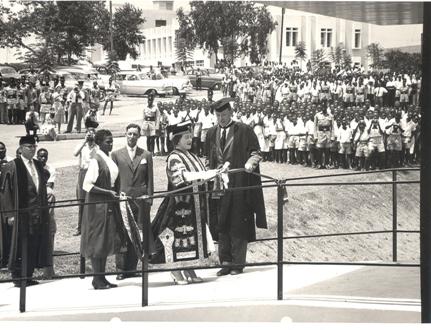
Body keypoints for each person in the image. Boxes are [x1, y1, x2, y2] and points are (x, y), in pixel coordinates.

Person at [205, 98, 267, 276]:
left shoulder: (244, 130)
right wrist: (210, 171)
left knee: (238, 222)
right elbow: (208, 157)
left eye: (224, 115)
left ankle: (238, 263)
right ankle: (225, 262)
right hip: (218, 186)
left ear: (231, 113)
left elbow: (256, 153)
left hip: (239, 184)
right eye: (218, 115)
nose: (221, 119)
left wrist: (250, 163)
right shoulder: (210, 133)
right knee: (221, 223)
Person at [151, 121, 219, 284]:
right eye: (186, 137)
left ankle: (189, 269)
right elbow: (182, 178)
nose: (190, 140)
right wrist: (208, 173)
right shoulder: (174, 157)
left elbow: (201, 176)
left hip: (194, 205)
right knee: (176, 237)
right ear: (177, 140)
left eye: (190, 137)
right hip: (178, 205)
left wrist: (214, 174)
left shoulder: (192, 155)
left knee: (192, 236)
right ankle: (175, 270)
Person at [0, 135, 51, 286]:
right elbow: (5, 192)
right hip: (20, 213)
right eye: (29, 147)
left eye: (34, 146)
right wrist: (9, 214)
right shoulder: (12, 166)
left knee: (33, 242)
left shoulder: (37, 164)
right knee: (20, 243)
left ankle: (28, 275)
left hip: (36, 212)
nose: (33, 149)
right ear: (21, 148)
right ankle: (18, 277)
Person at [80, 129, 126, 290]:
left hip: (109, 204)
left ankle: (102, 277)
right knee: (97, 241)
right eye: (108, 141)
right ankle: (96, 278)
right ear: (99, 143)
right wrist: (107, 192)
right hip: (97, 206)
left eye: (112, 140)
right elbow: (87, 185)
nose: (111, 143)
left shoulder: (108, 158)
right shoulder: (95, 160)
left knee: (106, 240)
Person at [111, 123, 155, 280]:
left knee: (139, 233)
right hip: (123, 200)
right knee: (123, 234)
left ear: (139, 136)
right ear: (125, 135)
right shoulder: (116, 155)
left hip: (141, 201)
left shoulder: (146, 155)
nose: (132, 137)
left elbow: (150, 179)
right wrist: (115, 199)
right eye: (129, 134)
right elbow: (114, 180)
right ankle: (121, 270)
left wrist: (149, 198)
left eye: (135, 134)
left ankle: (133, 267)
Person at [73, 128, 98, 236]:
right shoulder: (82, 146)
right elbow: (75, 153)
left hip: (92, 173)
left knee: (93, 199)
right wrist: (84, 141)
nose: (90, 137)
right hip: (83, 173)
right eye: (88, 134)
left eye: (92, 135)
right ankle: (80, 227)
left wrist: (95, 141)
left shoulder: (97, 147)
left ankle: (92, 226)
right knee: (82, 201)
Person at [36, 148, 57, 279]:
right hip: (38, 221)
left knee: (48, 244)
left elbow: (48, 214)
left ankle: (49, 272)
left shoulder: (48, 193)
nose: (43, 159)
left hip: (46, 223)